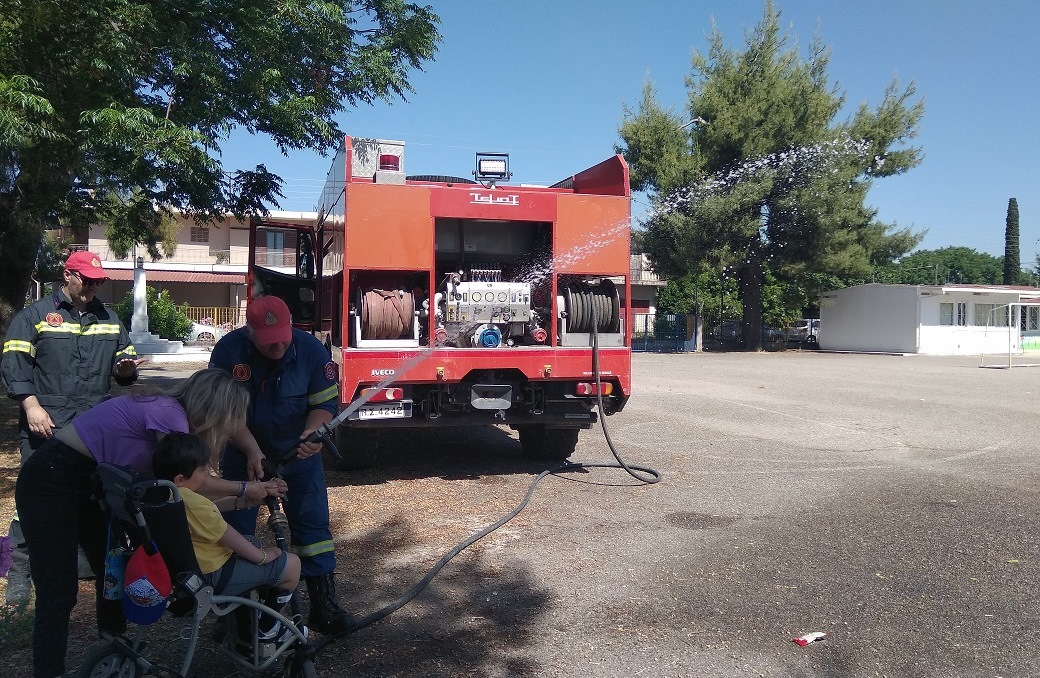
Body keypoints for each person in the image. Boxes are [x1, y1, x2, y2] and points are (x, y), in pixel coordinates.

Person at [14, 369, 285, 678]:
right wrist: (244, 489)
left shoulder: (168, 411)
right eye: (229, 419)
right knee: (58, 589)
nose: (229, 428)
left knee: (111, 570)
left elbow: (182, 490)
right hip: (51, 479)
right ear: (213, 410)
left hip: (88, 480)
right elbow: (188, 483)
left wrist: (244, 494)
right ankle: (49, 671)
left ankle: (114, 647)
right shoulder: (170, 416)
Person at [2, 250, 145, 603]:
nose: (94, 287)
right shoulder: (34, 316)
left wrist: (126, 370)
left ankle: (81, 561)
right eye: (88, 280)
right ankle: (20, 569)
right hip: (46, 426)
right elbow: (14, 363)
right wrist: (31, 406)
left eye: (99, 281)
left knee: (89, 496)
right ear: (68, 275)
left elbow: (124, 363)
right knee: (33, 500)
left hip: (92, 431)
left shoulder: (110, 319)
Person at [210, 295, 354, 635]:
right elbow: (223, 413)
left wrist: (313, 434)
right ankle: (234, 612)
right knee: (235, 532)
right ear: (250, 333)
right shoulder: (228, 352)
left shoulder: (311, 351)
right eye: (268, 341)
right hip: (243, 455)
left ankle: (323, 605)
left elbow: (324, 406)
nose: (277, 347)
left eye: (282, 340)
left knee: (313, 529)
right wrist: (251, 450)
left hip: (297, 458)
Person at [152, 432, 304, 642]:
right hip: (213, 576)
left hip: (190, 573)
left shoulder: (168, 495)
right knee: (291, 565)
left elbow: (209, 510)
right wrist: (262, 557)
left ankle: (245, 626)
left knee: (251, 541)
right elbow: (227, 533)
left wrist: (247, 501)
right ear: (180, 479)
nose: (206, 475)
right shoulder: (194, 504)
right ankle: (267, 629)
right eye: (202, 471)